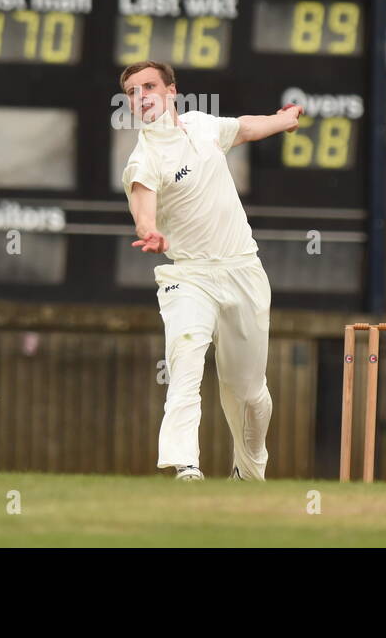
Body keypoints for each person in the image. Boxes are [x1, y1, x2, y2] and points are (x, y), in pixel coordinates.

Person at [119, 60, 302, 481]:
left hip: (243, 270)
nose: (141, 96)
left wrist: (284, 119)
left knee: (250, 392)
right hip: (188, 276)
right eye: (132, 91)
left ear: (171, 92)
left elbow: (244, 129)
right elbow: (142, 208)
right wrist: (149, 232)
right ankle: (186, 464)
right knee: (185, 363)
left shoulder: (202, 126)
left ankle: (248, 470)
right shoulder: (143, 159)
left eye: (149, 86)